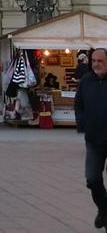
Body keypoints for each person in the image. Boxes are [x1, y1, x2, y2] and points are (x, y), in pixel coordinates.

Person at [75, 47, 107, 228]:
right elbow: (78, 105)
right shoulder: (86, 81)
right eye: (94, 61)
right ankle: (103, 209)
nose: (96, 64)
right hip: (94, 141)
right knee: (92, 179)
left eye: (100, 61)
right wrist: (83, 124)